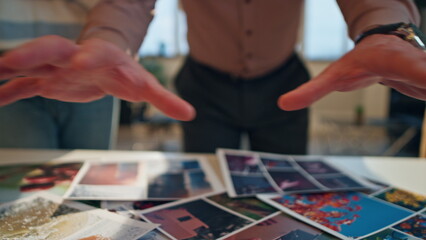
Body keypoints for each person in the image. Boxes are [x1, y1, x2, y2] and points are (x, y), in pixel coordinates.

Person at [0, 0, 425, 154]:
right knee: (209, 198)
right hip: (202, 87)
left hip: (287, 83)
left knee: (284, 191)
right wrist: (108, 37)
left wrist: (383, 28)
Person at [0, 0, 119, 149]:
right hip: (9, 59)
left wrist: (112, 42)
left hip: (89, 58)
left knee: (91, 165)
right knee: (24, 166)